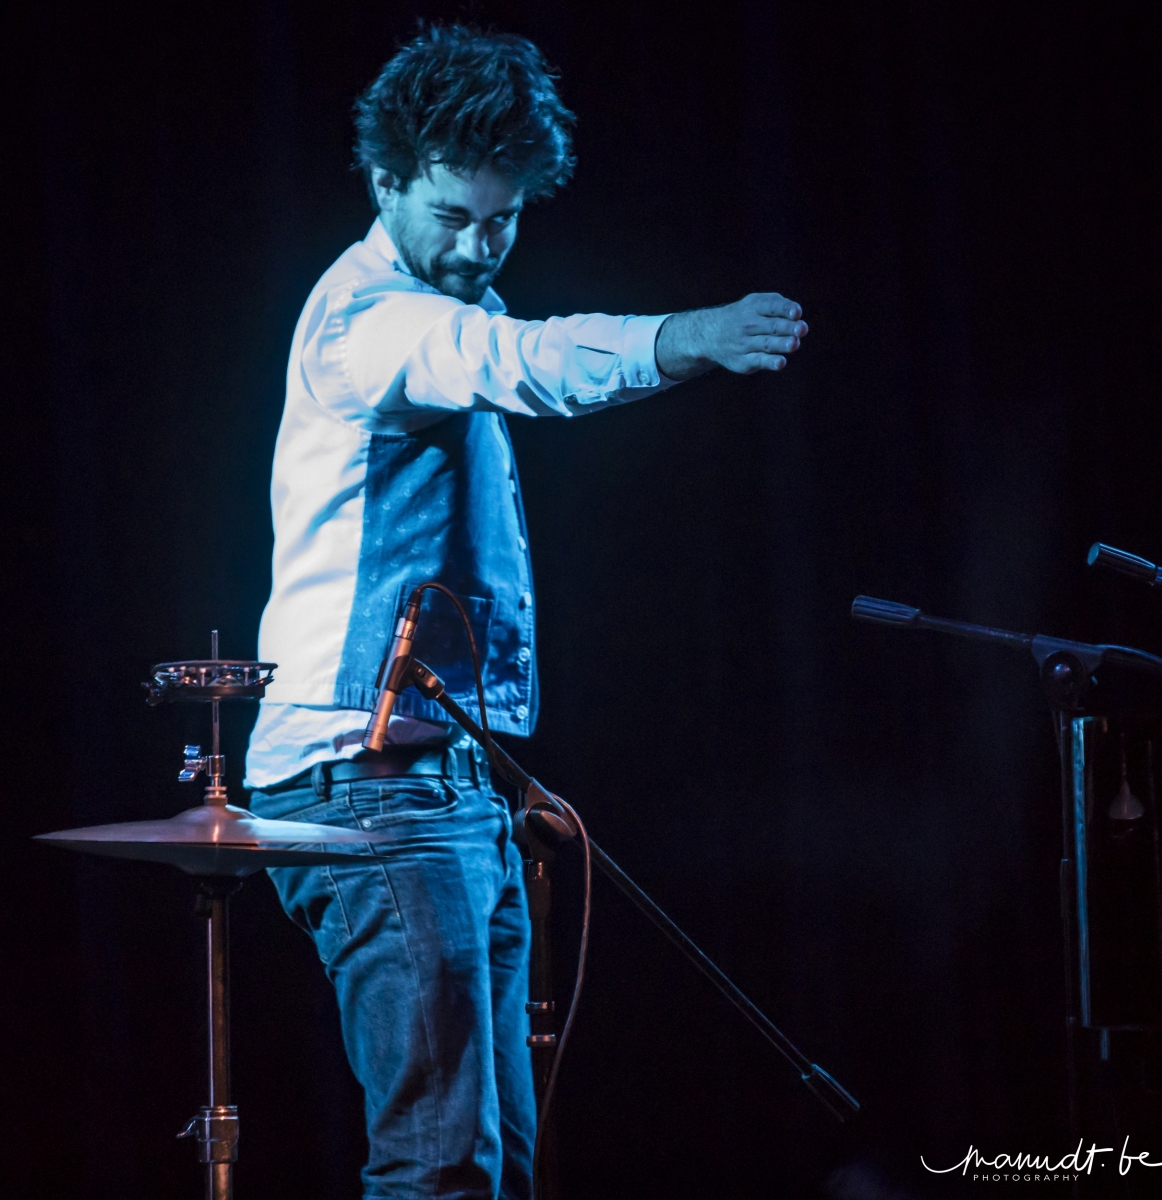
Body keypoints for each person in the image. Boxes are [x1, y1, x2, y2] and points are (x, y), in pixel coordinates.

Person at [245, 22, 807, 1200]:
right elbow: (525, 363)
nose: (477, 246)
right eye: (452, 217)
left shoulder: (435, 302)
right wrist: (688, 338)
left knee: (492, 1163)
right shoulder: (370, 322)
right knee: (440, 1168)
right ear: (384, 180)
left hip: (436, 781)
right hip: (370, 784)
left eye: (501, 220)